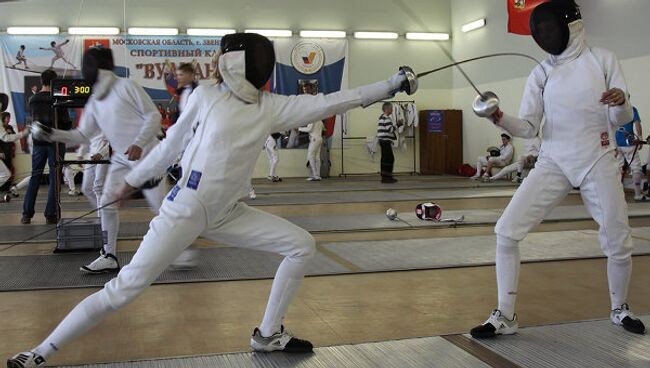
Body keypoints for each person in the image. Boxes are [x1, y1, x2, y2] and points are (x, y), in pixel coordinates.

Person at [6, 32, 412, 367]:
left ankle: (268, 335)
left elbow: (335, 100)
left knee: (300, 245)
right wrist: (132, 179)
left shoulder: (271, 107)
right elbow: (169, 147)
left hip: (228, 212)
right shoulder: (203, 96)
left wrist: (392, 84)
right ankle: (41, 352)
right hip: (185, 208)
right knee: (124, 287)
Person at [469, 0, 646, 339]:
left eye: (548, 28)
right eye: (540, 31)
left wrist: (621, 102)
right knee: (506, 230)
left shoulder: (603, 59)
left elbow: (620, 120)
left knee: (618, 238)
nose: (544, 35)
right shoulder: (541, 72)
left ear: (571, 25)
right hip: (554, 160)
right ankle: (505, 316)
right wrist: (499, 118)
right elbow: (529, 128)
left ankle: (620, 308)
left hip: (597, 158)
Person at [30, 47, 164, 274]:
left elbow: (154, 115)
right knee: (106, 202)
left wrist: (139, 143)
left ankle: (183, 250)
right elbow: (82, 135)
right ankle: (109, 255)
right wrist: (52, 133)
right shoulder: (94, 101)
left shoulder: (126, 86)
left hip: (147, 156)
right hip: (121, 159)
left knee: (161, 209)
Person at [22, 69, 70, 225]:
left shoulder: (33, 99)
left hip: (38, 143)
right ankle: (51, 214)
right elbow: (66, 123)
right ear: (54, 82)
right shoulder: (58, 99)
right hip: (55, 143)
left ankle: (26, 214)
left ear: (41, 81)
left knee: (35, 175)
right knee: (54, 178)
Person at [615, 106, 645, 201]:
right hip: (630, 144)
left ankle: (617, 196)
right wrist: (640, 138)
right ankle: (638, 195)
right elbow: (637, 124)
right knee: (636, 168)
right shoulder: (632, 109)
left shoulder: (612, 110)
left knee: (618, 169)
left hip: (617, 144)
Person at [77, 135, 110, 211]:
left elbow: (113, 141)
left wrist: (101, 153)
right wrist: (80, 154)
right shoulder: (92, 124)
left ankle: (101, 217)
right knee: (86, 188)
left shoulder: (111, 123)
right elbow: (86, 137)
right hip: (91, 156)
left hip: (105, 156)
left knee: (98, 188)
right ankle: (103, 211)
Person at [1, 112, 30, 195]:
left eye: (9, 118)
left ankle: (7, 187)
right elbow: (4, 138)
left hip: (9, 150)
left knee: (9, 170)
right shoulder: (1, 127)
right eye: (7, 118)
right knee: (4, 172)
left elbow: (13, 136)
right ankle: (2, 187)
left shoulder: (9, 127)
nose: (8, 119)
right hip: (2, 151)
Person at [377, 102, 399, 183]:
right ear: (387, 109)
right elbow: (390, 129)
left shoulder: (382, 117)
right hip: (385, 141)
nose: (392, 110)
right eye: (391, 108)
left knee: (385, 158)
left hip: (383, 141)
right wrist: (398, 124)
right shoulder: (386, 118)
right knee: (389, 159)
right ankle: (387, 177)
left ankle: (385, 176)